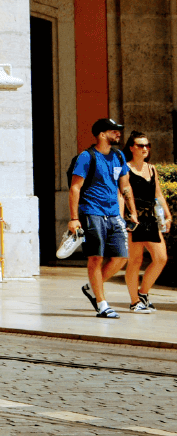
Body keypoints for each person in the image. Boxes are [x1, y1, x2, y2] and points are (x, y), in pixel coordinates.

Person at [69, 118, 136, 317]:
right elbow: (75, 188)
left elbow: (125, 186)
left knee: (121, 257)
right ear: (101, 134)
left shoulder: (119, 156)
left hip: (114, 215)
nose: (118, 134)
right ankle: (102, 303)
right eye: (113, 131)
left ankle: (91, 287)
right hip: (92, 213)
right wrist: (74, 218)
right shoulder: (86, 157)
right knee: (96, 258)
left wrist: (132, 210)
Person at [123, 131, 170, 313]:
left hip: (150, 218)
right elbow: (125, 194)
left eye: (147, 145)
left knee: (160, 258)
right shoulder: (125, 168)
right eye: (141, 145)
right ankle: (135, 302)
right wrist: (129, 216)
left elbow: (157, 194)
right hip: (133, 219)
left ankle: (142, 293)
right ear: (131, 148)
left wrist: (167, 215)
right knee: (135, 261)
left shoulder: (151, 169)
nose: (145, 148)